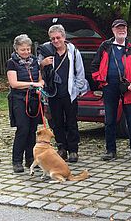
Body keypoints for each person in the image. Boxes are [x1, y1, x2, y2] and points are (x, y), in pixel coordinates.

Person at [91, 19, 131, 161]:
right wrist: (101, 80)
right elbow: (94, 67)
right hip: (109, 87)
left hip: (129, 88)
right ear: (113, 30)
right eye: (118, 28)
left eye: (123, 28)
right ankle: (111, 150)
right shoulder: (105, 46)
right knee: (109, 120)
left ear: (127, 30)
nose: (121, 30)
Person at [38, 25, 87, 163]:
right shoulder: (46, 51)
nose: (55, 41)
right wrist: (42, 64)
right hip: (53, 94)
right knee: (56, 122)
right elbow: (37, 71)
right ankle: (62, 148)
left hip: (69, 93)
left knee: (71, 122)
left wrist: (77, 89)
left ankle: (73, 150)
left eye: (58, 37)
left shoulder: (73, 51)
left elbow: (80, 72)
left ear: (64, 37)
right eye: (52, 38)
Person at [6, 34, 44, 173]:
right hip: (19, 99)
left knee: (32, 130)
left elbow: (40, 80)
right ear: (16, 49)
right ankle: (16, 161)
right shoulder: (12, 62)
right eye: (23, 50)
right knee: (23, 129)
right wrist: (32, 84)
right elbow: (14, 83)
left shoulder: (34, 61)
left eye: (28, 49)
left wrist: (39, 85)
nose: (26, 52)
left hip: (34, 99)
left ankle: (30, 160)